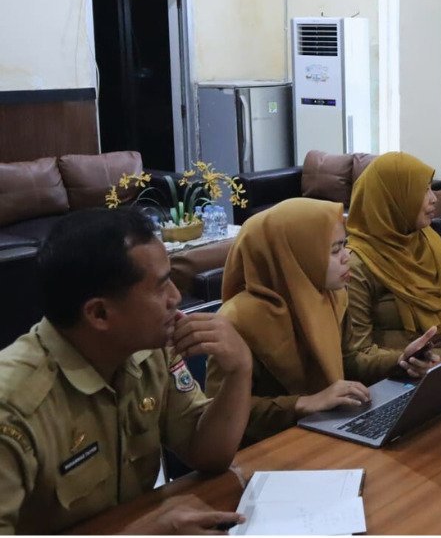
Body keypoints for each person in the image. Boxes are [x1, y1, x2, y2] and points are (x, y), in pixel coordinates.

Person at [0, 208, 253, 533]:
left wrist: (239, 370)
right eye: (161, 287)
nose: (176, 297)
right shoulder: (13, 409)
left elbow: (207, 454)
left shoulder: (150, 351)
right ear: (99, 314)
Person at [206, 198, 439, 445]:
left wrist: (401, 361)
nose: (347, 257)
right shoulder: (237, 320)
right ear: (295, 257)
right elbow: (217, 412)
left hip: (326, 430)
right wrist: (303, 403)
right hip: (268, 450)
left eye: (344, 245)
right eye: (335, 250)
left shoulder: (331, 296)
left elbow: (349, 361)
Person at [347, 152, 441, 365]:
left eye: (431, 188)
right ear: (395, 199)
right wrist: (403, 361)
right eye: (423, 190)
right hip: (405, 377)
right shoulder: (356, 265)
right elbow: (356, 357)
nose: (434, 198)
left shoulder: (428, 240)